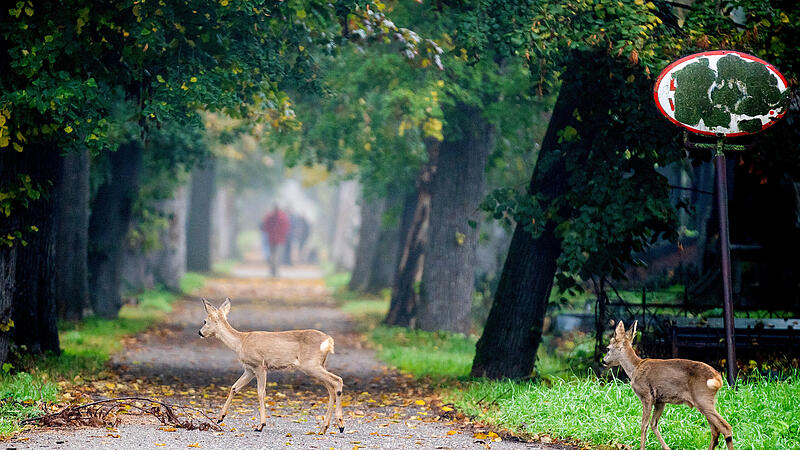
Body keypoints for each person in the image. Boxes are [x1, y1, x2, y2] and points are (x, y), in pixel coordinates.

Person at [261, 204, 290, 277]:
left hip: (272, 239)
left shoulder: (270, 217)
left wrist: (269, 233)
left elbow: (265, 226)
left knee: (272, 255)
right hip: (280, 239)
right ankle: (276, 270)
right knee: (278, 255)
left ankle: (272, 270)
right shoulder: (283, 217)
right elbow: (286, 228)